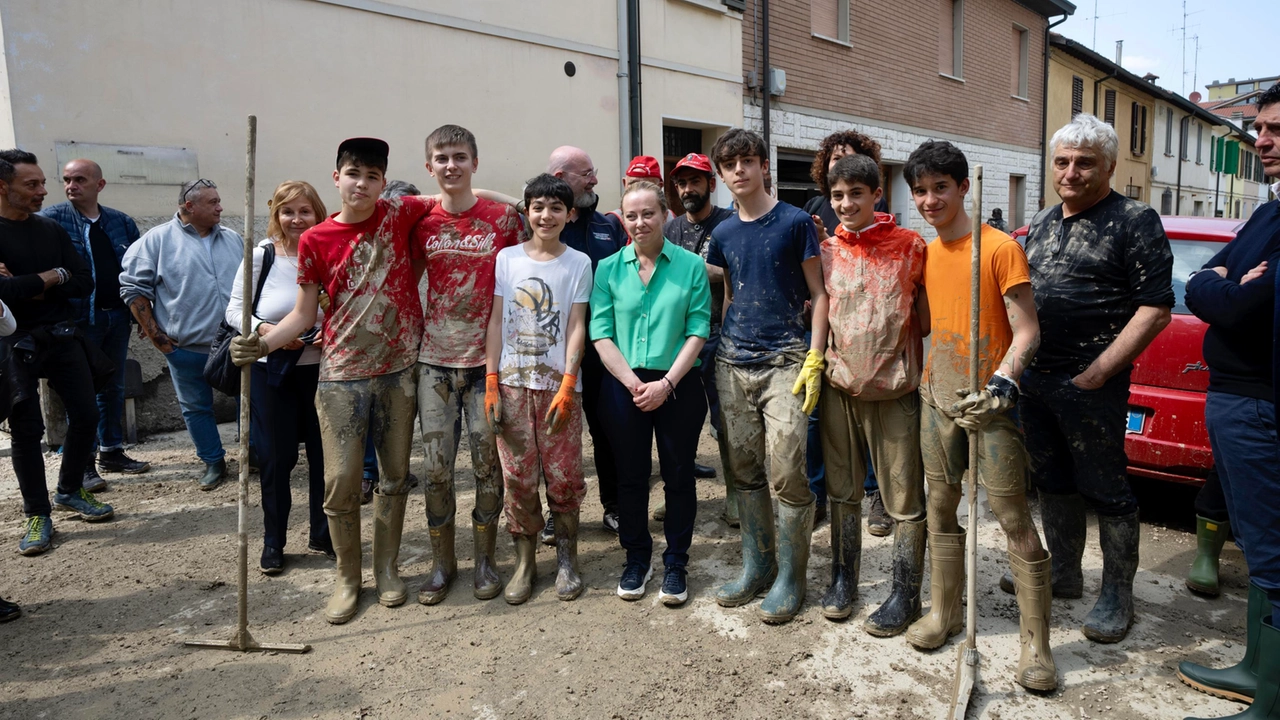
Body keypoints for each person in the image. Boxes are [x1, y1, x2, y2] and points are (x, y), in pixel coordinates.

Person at [232, 138, 438, 624]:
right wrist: (259, 345)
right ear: (337, 177)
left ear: (383, 183)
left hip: (399, 371)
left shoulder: (398, 214)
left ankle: (386, 568)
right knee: (342, 478)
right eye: (353, 173)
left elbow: (458, 195)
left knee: (392, 477)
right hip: (342, 373)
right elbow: (304, 312)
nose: (361, 183)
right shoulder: (316, 239)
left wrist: (518, 203)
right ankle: (349, 576)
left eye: (371, 175)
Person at [902, 140, 1056, 692]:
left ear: (964, 187)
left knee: (1013, 515)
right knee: (940, 508)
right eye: (919, 190)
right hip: (937, 397)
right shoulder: (925, 252)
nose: (929, 199)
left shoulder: (998, 249)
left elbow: (1028, 331)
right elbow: (924, 324)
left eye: (940, 187)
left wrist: (1001, 384)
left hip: (993, 406)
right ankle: (946, 614)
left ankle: (1036, 645)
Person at [1016, 114, 1174, 645]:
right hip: (1036, 382)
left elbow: (1155, 310)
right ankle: (1063, 574)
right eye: (1062, 161)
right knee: (1052, 482)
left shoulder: (1135, 220)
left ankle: (1116, 596)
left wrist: (1100, 371)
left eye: (1085, 163)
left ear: (1108, 166)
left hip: (1092, 385)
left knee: (1107, 489)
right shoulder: (1040, 222)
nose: (1071, 171)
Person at [1177, 84, 1280, 716]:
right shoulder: (1270, 216)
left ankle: (1270, 701)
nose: (1261, 141)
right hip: (1237, 401)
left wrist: (1223, 285)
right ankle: (1254, 667)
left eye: (1275, 130)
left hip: (1258, 405)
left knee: (1271, 552)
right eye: (1261, 128)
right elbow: (1204, 284)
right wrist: (1222, 282)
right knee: (1263, 545)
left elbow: (1236, 302)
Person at [706, 128, 829, 625]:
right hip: (734, 363)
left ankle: (791, 577)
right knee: (744, 473)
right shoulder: (723, 234)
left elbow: (819, 294)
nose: (739, 171)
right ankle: (757, 565)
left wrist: (815, 355)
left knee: (787, 471)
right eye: (730, 165)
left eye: (748, 162)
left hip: (785, 362)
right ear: (721, 175)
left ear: (763, 167)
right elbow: (732, 292)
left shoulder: (796, 222)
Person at [816, 154, 929, 637]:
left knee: (903, 498)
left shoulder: (909, 247)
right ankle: (844, 578)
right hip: (838, 389)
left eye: (855, 194)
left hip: (895, 391)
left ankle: (905, 592)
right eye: (837, 195)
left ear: (876, 192)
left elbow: (925, 320)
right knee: (842, 492)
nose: (845, 204)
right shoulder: (825, 251)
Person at [413, 125, 520, 605]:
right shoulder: (420, 222)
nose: (451, 165)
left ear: (475, 162)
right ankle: (442, 563)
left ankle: (483, 560)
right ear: (429, 166)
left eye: (460, 157)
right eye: (442, 158)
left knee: (486, 466)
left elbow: (529, 209)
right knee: (436, 469)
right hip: (433, 361)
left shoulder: (503, 220)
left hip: (486, 364)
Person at [592, 181, 710, 606]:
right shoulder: (607, 269)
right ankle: (636, 557)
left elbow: (698, 329)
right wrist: (632, 383)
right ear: (622, 219)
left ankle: (676, 561)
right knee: (631, 475)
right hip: (624, 385)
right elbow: (600, 333)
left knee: (679, 476)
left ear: (665, 214)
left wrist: (665, 385)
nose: (639, 223)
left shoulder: (691, 266)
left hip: (677, 383)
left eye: (648, 214)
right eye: (631, 215)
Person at [484, 173, 592, 605]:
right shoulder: (506, 259)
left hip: (557, 387)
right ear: (526, 211)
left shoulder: (579, 263)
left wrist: (568, 383)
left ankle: (567, 559)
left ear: (570, 214)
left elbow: (576, 325)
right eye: (538, 207)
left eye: (555, 208)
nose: (546, 215)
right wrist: (491, 379)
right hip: (511, 385)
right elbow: (495, 321)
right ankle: (526, 562)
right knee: (518, 478)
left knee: (564, 477)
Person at [0, 149, 114, 556]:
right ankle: (37, 514)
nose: (43, 191)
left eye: (42, 182)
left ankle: (69, 489)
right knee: (27, 430)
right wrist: (51, 277)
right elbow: (3, 294)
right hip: (13, 344)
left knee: (87, 414)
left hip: (62, 335)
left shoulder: (49, 229)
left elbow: (83, 281)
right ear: (3, 187)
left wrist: (34, 281)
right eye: (31, 184)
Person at [224, 180, 331, 574]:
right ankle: (274, 541)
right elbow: (234, 310)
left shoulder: (328, 253)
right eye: (288, 211)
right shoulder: (261, 256)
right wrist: (265, 330)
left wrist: (329, 330)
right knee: (275, 459)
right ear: (277, 215)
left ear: (319, 214)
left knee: (325, 459)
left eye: (305, 211)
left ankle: (323, 533)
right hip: (272, 373)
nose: (296, 219)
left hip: (322, 371)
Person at [120, 178, 243, 490]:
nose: (220, 207)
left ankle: (252, 453)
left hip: (234, 344)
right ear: (189, 206)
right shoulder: (156, 241)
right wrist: (162, 342)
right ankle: (213, 461)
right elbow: (134, 290)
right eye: (212, 202)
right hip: (186, 347)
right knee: (196, 407)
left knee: (249, 401)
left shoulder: (233, 239)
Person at [802, 130, 893, 536]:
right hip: (829, 328)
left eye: (849, 156)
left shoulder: (870, 200)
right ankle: (818, 495)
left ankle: (876, 493)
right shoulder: (815, 204)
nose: (845, 202)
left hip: (869, 330)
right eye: (834, 157)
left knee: (871, 417)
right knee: (815, 418)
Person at [40, 159, 149, 491]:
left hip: (115, 316)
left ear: (99, 185)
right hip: (77, 322)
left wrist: (143, 312)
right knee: (81, 391)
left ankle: (111, 451)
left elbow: (136, 271)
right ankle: (83, 463)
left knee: (112, 385)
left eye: (80, 180)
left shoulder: (120, 223)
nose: (72, 185)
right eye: (67, 179)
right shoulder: (50, 221)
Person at [547, 146, 627, 537]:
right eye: (586, 174)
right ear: (562, 177)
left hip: (601, 350)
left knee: (608, 429)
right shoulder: (542, 221)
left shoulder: (608, 226)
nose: (595, 180)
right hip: (550, 352)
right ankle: (555, 512)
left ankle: (615, 506)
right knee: (553, 434)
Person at [660, 152, 732, 518]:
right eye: (682, 183)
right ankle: (677, 493)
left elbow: (734, 269)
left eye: (696, 181)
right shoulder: (671, 229)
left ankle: (736, 495)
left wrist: (694, 269)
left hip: (721, 334)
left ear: (711, 185)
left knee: (725, 419)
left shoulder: (728, 224)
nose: (688, 189)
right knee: (680, 419)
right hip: (680, 339)